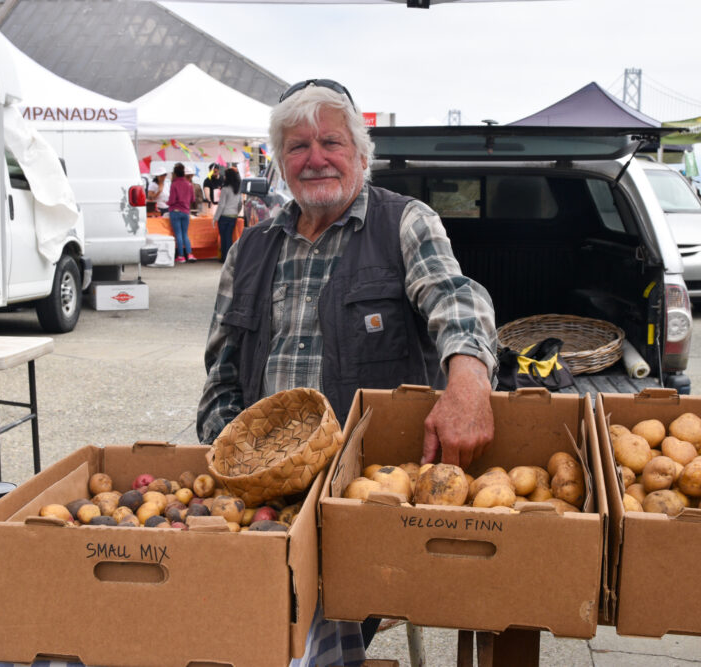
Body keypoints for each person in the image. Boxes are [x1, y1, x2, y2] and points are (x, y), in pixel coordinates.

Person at [197, 78, 497, 654]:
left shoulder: (404, 223)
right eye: (297, 147)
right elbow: (221, 370)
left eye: (330, 142)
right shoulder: (250, 248)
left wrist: (467, 378)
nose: (315, 159)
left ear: (362, 153)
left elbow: (456, 298)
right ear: (281, 164)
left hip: (363, 486)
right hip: (265, 491)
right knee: (227, 621)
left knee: (310, 624)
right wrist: (227, 460)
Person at [166, 162, 196, 263]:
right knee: (185, 234)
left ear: (175, 173)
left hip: (175, 211)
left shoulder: (174, 184)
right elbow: (193, 199)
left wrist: (167, 202)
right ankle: (190, 254)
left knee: (178, 234)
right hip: (186, 212)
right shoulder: (189, 184)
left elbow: (172, 200)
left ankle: (181, 256)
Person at [213, 167, 243, 262]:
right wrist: (236, 213)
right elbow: (240, 204)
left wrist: (215, 218)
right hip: (233, 216)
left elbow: (221, 205)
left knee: (223, 237)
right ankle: (228, 259)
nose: (224, 177)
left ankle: (223, 257)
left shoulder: (225, 189)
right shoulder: (238, 189)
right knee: (229, 236)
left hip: (224, 216)